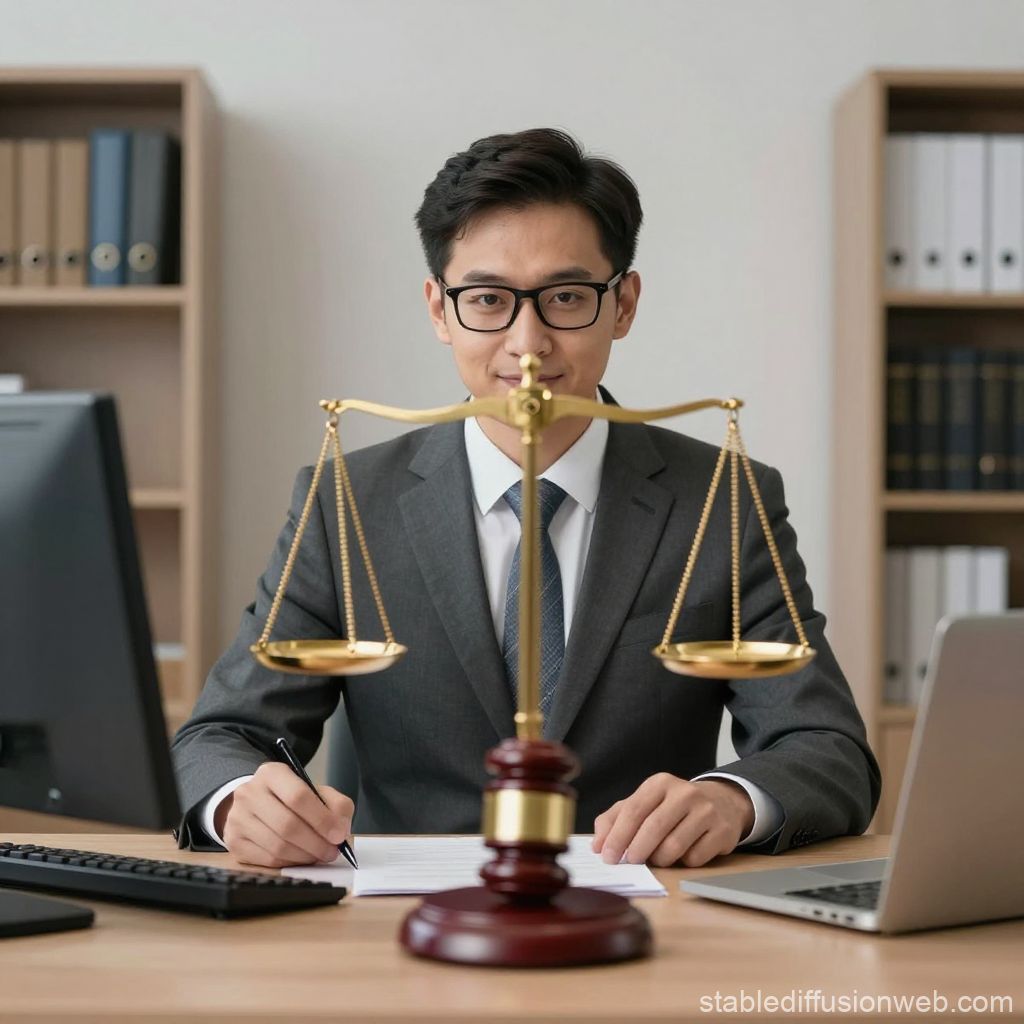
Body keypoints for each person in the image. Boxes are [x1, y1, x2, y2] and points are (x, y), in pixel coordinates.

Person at [171, 128, 879, 870]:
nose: (528, 343)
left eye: (567, 297)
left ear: (624, 304)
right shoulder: (348, 500)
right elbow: (219, 737)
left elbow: (828, 751)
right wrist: (240, 801)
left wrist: (734, 801)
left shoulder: (723, 501)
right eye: (487, 300)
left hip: (651, 920)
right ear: (440, 310)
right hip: (404, 924)